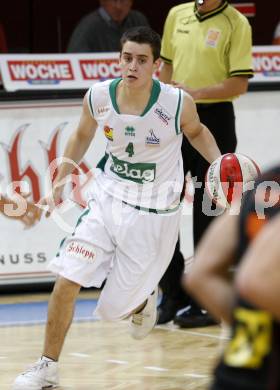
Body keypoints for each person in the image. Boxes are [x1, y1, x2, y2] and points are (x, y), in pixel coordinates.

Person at [12, 26, 221, 389]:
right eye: (127, 58)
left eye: (142, 60)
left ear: (156, 65)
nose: (133, 66)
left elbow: (197, 133)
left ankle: (142, 301)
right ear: (118, 59)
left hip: (154, 215)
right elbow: (81, 135)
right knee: (67, 278)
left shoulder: (175, 103)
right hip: (107, 199)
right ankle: (46, 368)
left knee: (112, 312)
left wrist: (218, 165)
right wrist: (57, 185)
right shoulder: (98, 96)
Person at [158, 0, 254, 327]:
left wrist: (194, 94)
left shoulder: (236, 22)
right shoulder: (177, 14)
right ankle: (172, 293)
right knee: (162, 205)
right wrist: (167, 98)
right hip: (177, 119)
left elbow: (239, 84)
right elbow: (166, 67)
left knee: (207, 212)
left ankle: (205, 301)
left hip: (216, 118)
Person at [185, 165, 280, 389]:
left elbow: (200, 275)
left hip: (236, 370)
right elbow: (256, 281)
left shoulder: (265, 181)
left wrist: (250, 326)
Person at [67, 0, 149, 53]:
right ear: (102, 1)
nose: (118, 7)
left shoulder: (138, 20)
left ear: (131, 2)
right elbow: (75, 59)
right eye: (114, 1)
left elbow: (152, 51)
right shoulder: (88, 26)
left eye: (123, 1)